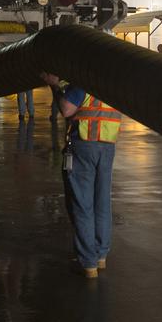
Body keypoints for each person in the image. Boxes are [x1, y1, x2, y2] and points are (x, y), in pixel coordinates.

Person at [43, 72, 122, 278]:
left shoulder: (86, 80)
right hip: (107, 146)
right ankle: (100, 255)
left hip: (84, 145)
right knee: (102, 202)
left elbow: (66, 109)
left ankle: (88, 262)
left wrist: (54, 86)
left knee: (82, 203)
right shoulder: (115, 84)